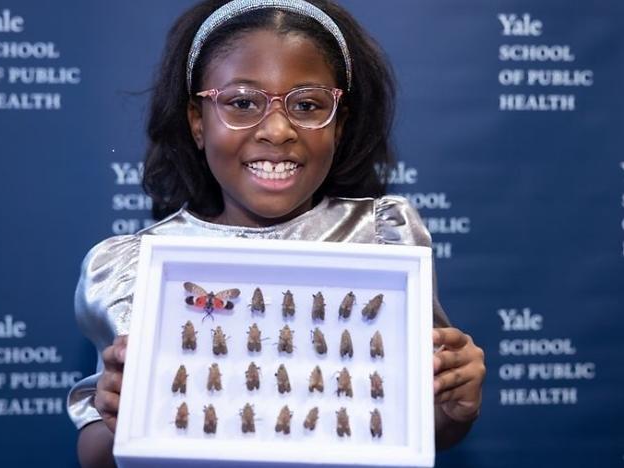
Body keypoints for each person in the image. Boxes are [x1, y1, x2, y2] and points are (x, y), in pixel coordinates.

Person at [68, 1, 486, 466]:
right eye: (242, 103)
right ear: (196, 122)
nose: (277, 129)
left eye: (307, 105)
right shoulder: (135, 272)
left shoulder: (382, 239)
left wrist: (454, 406)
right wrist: (117, 416)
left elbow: (416, 423)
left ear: (340, 123)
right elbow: (97, 455)